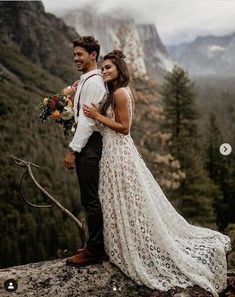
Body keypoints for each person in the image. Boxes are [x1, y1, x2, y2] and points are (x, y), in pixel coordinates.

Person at [82, 50, 231, 297]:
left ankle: (134, 248)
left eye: (109, 67)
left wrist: (97, 116)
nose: (105, 71)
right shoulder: (115, 91)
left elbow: (125, 128)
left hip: (118, 152)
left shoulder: (119, 92)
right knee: (120, 200)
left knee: (125, 199)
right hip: (112, 152)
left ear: (119, 69)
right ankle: (126, 243)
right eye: (103, 68)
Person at [64, 36, 107, 267]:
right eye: (74, 55)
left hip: (90, 146)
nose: (76, 58)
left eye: (80, 54)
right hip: (89, 144)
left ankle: (95, 250)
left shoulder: (93, 83)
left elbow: (87, 124)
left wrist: (73, 150)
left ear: (93, 55)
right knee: (89, 198)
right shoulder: (86, 81)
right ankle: (94, 245)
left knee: (91, 200)